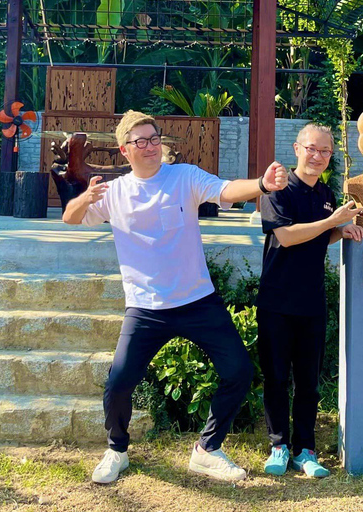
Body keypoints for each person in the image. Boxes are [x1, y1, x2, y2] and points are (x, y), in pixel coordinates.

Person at [62, 110, 289, 485]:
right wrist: (86, 197)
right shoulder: (114, 192)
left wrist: (262, 185)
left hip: (197, 300)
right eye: (140, 141)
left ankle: (207, 450)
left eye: (154, 139)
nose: (150, 147)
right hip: (145, 308)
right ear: (125, 150)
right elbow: (70, 218)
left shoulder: (183, 177)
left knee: (239, 371)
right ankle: (117, 450)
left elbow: (226, 189)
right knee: (118, 384)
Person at [256, 123, 363, 477]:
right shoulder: (278, 189)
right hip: (276, 300)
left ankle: (305, 449)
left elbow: (318, 237)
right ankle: (278, 445)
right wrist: (330, 221)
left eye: (325, 152)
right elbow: (286, 237)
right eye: (312, 149)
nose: (317, 157)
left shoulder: (327, 194)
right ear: (297, 149)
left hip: (311, 302)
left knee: (308, 381)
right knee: (275, 377)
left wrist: (340, 230)